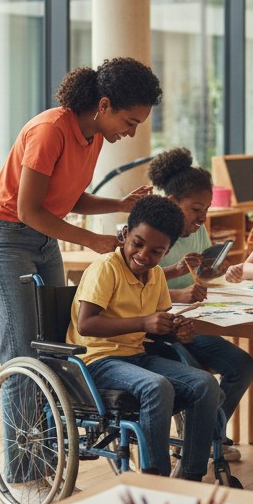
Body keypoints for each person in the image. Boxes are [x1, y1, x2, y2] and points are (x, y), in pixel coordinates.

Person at [0, 57, 162, 370]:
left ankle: (48, 421)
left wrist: (118, 205)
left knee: (56, 340)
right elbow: (29, 208)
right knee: (24, 348)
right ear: (104, 105)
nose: (130, 133)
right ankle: (21, 422)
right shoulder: (50, 130)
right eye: (130, 122)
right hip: (4, 238)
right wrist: (91, 240)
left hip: (44, 238)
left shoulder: (95, 136)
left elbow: (67, 197)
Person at [67, 195, 222, 481]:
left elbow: (159, 325)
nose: (143, 255)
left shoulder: (156, 277)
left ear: (167, 252)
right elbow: (86, 324)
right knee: (157, 387)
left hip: (135, 357)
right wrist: (144, 321)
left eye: (156, 252)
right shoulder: (106, 268)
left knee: (206, 384)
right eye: (138, 244)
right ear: (125, 234)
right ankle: (155, 480)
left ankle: (191, 476)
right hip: (97, 361)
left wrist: (178, 330)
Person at [147, 148, 253, 459]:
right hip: (160, 328)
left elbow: (202, 274)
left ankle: (207, 433)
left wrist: (214, 268)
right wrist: (181, 294)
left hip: (192, 322)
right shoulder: (151, 234)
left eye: (206, 209)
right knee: (201, 378)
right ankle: (203, 436)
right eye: (196, 209)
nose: (202, 218)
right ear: (172, 203)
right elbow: (138, 288)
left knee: (242, 365)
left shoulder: (197, 230)